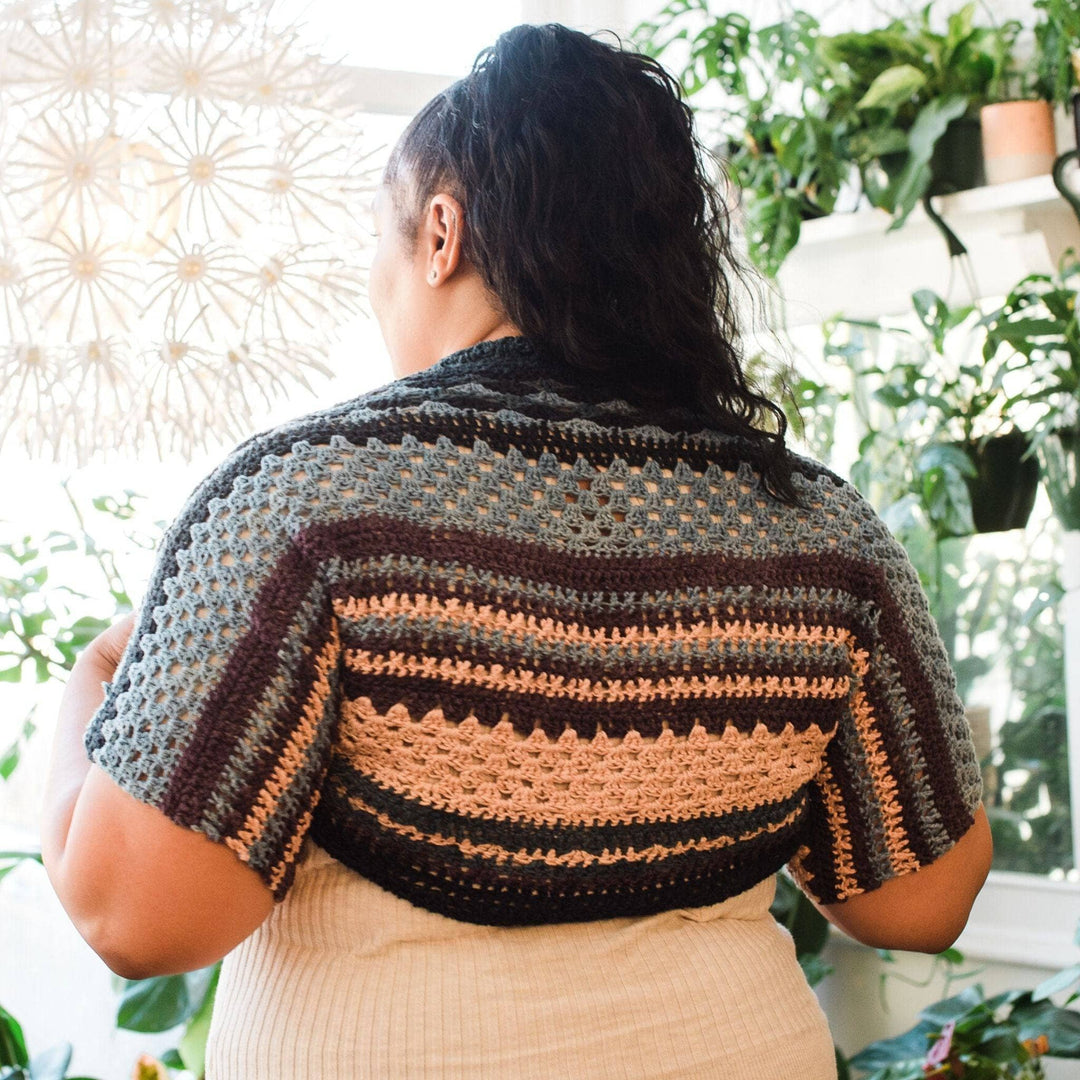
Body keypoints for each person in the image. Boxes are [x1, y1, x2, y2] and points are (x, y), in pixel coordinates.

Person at [41, 23, 992, 1079]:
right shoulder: (824, 530)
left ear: (440, 233)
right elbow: (923, 896)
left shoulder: (306, 501)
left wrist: (87, 686)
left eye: (381, 241)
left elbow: (136, 915)